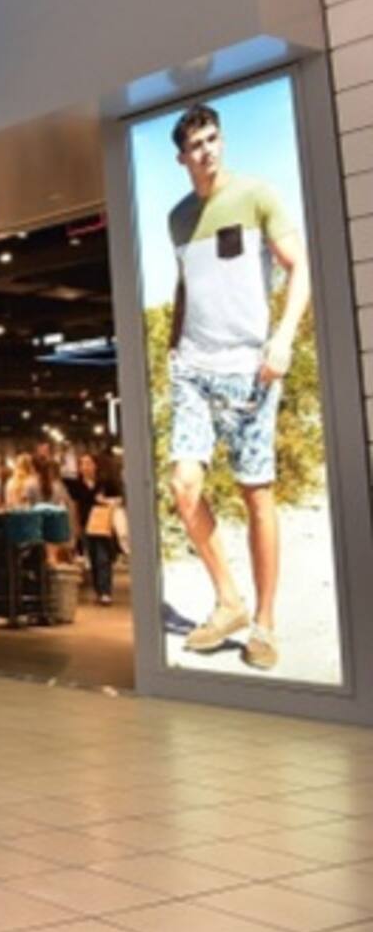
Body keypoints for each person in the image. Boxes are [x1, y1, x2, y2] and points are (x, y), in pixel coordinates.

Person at [166, 103, 309, 671]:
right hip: (193, 370)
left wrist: (284, 338)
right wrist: (174, 344)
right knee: (184, 486)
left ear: (220, 141)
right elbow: (185, 283)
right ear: (182, 158)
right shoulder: (178, 218)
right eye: (195, 145)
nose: (206, 151)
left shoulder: (257, 194)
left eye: (212, 139)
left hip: (253, 368)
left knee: (257, 494)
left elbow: (299, 267)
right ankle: (229, 599)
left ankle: (264, 623)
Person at [65, 453, 120, 604]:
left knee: (103, 557)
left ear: (95, 465)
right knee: (93, 559)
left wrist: (105, 501)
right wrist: (75, 526)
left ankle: (105, 591)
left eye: (88, 463)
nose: (85, 467)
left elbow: (118, 499)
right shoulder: (77, 485)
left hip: (103, 524)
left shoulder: (104, 483)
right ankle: (99, 590)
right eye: (82, 464)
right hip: (85, 524)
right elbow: (75, 505)